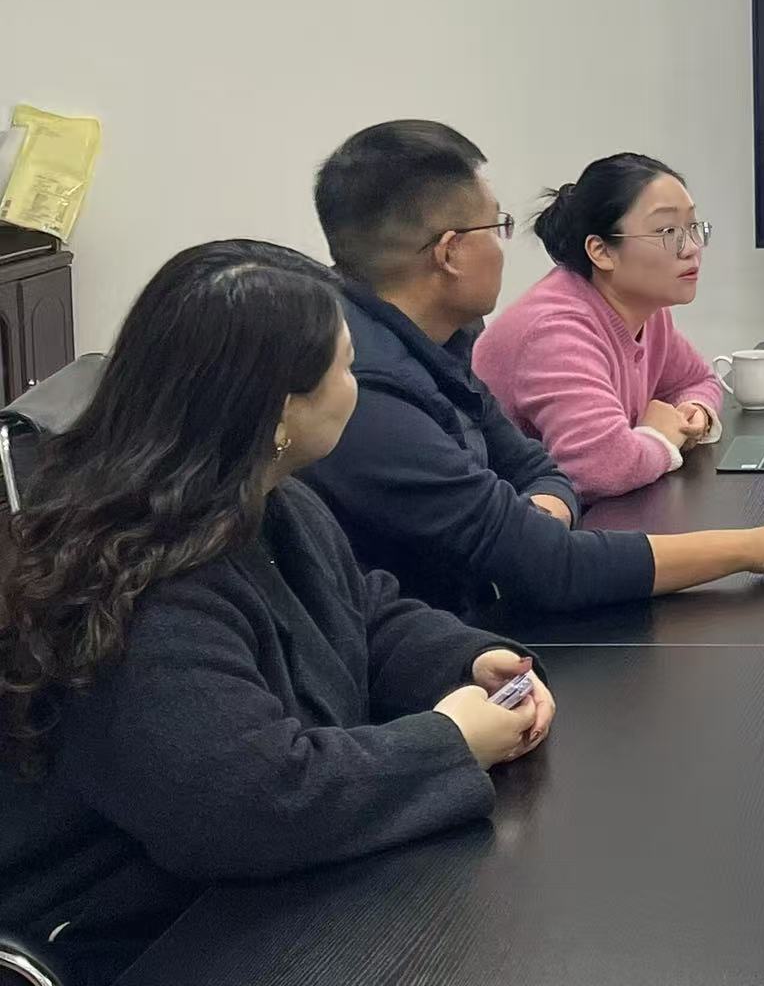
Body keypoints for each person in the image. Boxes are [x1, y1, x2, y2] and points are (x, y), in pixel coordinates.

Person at [0, 241, 553, 984]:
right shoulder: (141, 585)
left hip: (250, 897)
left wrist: (468, 658)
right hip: (134, 937)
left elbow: (361, 611)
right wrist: (450, 742)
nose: (358, 385)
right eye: (346, 368)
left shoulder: (271, 502)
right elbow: (249, 805)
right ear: (277, 412)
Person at [304, 120, 764, 618]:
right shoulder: (369, 391)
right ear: (451, 252)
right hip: (439, 637)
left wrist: (537, 519)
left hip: (479, 611)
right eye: (498, 227)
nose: (690, 248)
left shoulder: (444, 339)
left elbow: (538, 471)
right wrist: (755, 547)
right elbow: (551, 563)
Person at [474, 153, 725, 502]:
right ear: (601, 251)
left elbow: (696, 380)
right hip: (522, 525)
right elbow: (601, 468)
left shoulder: (647, 311)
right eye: (667, 231)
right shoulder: (555, 332)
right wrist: (661, 437)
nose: (692, 248)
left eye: (693, 227)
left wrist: (692, 412)